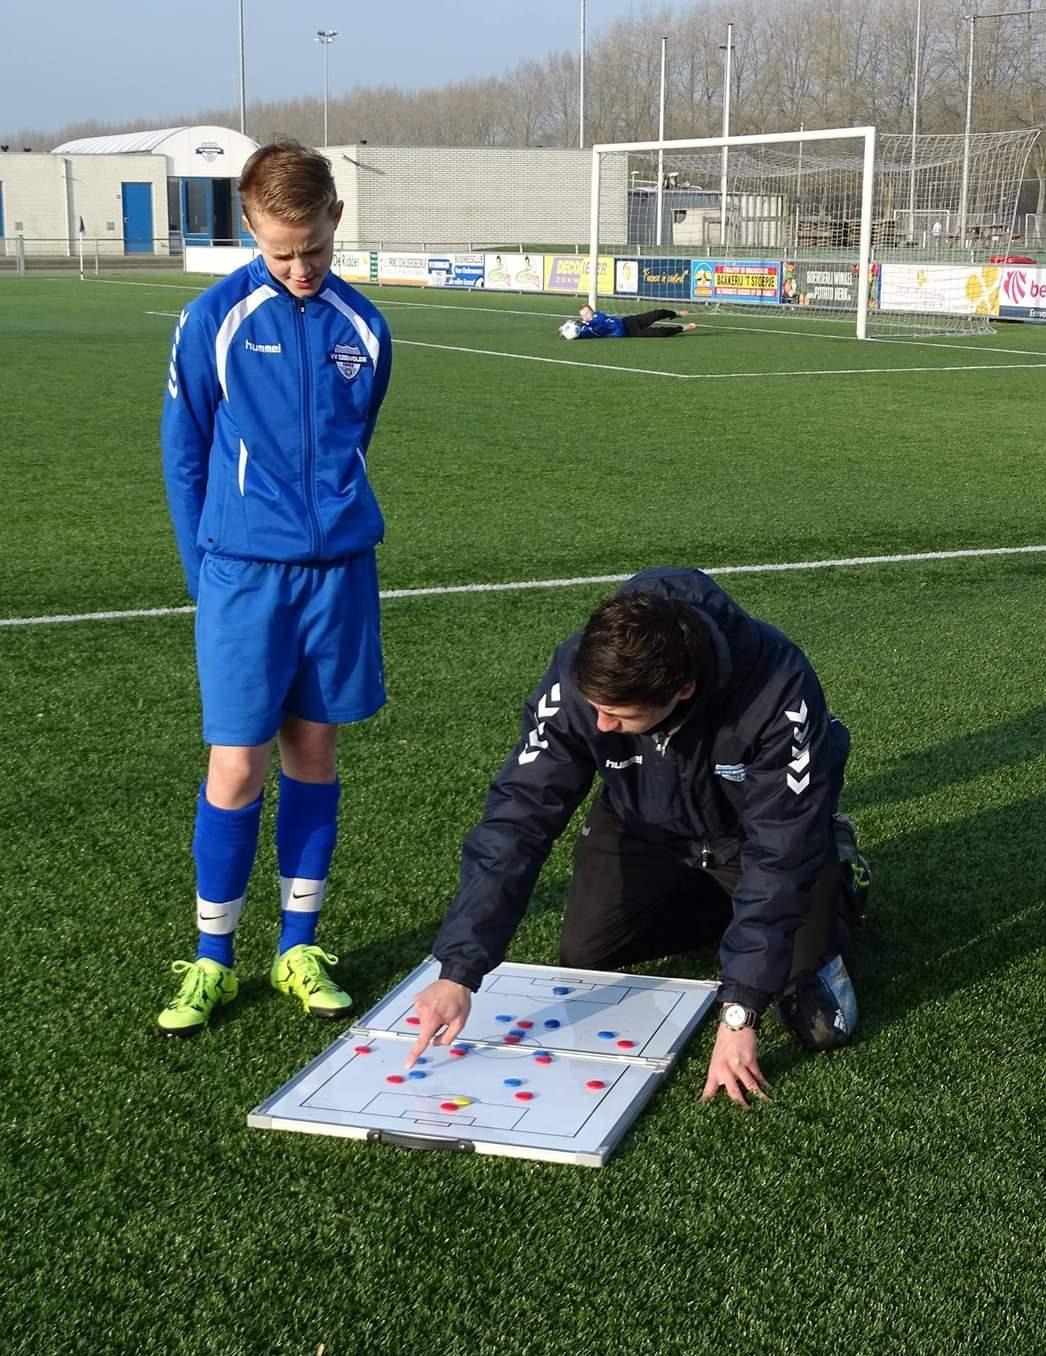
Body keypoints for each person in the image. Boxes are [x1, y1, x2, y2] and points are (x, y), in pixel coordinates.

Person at [405, 569, 870, 1107]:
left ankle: (835, 867)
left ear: (683, 689)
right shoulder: (580, 674)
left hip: (755, 836)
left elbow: (780, 850)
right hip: (643, 822)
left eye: (617, 715)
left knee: (821, 1027)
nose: (599, 726)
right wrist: (459, 969)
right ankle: (732, 911)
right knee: (585, 950)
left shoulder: (777, 685)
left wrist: (741, 1007)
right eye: (595, 708)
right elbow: (516, 818)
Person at [157, 140, 392, 1036]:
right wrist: (204, 577)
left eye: (314, 250)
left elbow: (355, 437)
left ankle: (299, 945)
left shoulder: (365, 327)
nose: (299, 269)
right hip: (242, 579)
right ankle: (212, 957)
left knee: (313, 755)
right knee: (237, 763)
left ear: (336, 219)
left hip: (336, 579)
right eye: (280, 251)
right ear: (250, 228)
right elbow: (185, 456)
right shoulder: (212, 318)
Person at [560, 304, 697, 339]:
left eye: (587, 313)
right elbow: (582, 334)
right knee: (661, 333)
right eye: (584, 316)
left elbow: (597, 322)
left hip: (629, 321)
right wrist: (566, 331)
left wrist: (583, 323)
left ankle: (676, 314)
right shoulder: (588, 329)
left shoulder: (598, 317)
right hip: (631, 332)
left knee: (657, 313)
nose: (586, 317)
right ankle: (683, 328)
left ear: (592, 312)